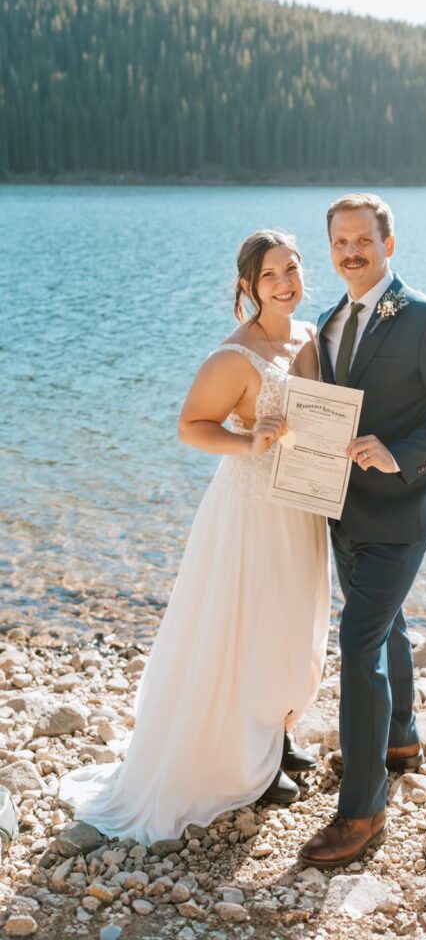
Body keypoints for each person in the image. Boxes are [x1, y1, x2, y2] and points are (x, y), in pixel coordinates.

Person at [59, 230, 330, 845]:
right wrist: (246, 442)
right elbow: (190, 427)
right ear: (247, 287)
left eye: (293, 268)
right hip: (251, 506)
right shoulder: (233, 357)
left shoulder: (310, 335)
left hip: (300, 505)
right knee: (247, 621)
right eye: (270, 276)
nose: (287, 282)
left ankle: (276, 735)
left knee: (295, 618)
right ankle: (241, 762)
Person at [299, 194, 426, 869]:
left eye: (363, 240)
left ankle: (362, 807)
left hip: (401, 512)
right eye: (340, 242)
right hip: (341, 509)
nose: (351, 252)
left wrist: (399, 451)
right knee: (387, 625)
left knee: (357, 642)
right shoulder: (324, 322)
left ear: (388, 244)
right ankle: (400, 738)